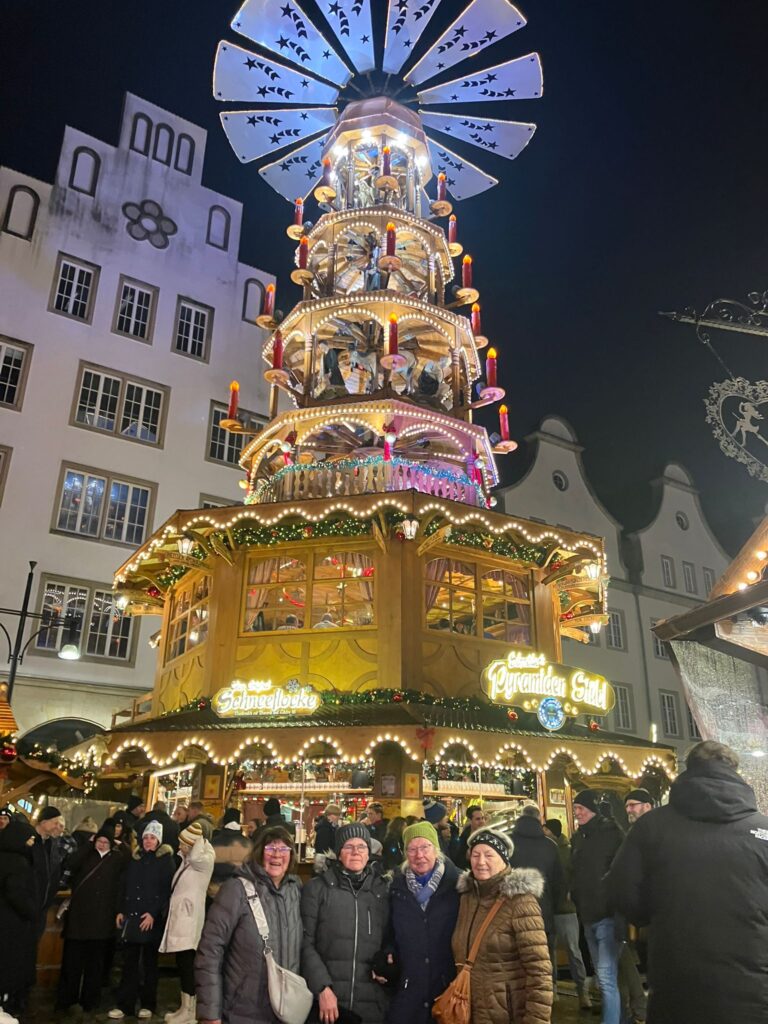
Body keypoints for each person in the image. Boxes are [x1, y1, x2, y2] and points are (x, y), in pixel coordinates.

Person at [609, 740, 768, 1024]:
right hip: (752, 988)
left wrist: (653, 915)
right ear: (734, 771)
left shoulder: (651, 827)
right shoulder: (762, 831)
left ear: (689, 769)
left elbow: (622, 889)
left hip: (676, 981)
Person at [196, 825, 302, 1024]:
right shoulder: (235, 890)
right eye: (270, 848)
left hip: (285, 1010)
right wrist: (210, 1012)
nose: (277, 854)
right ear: (259, 852)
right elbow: (210, 949)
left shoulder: (295, 891)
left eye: (283, 849)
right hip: (243, 1011)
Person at [452, 828, 553, 1024]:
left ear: (504, 859)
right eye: (475, 855)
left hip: (507, 1015)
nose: (481, 862)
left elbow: (539, 970)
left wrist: (537, 1019)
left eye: (489, 855)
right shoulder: (467, 898)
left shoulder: (521, 901)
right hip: (469, 1011)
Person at [301, 822, 391, 1024]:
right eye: (348, 846)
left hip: (371, 1004)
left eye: (361, 846)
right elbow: (305, 942)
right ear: (339, 853)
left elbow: (390, 939)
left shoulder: (382, 892)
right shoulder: (317, 889)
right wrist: (322, 987)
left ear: (369, 853)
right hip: (329, 1004)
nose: (355, 852)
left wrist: (387, 964)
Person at [388, 821, 460, 1023]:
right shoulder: (394, 887)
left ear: (436, 849)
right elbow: (388, 932)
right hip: (408, 989)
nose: (419, 855)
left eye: (425, 847)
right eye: (412, 849)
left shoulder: (458, 885)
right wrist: (388, 952)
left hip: (447, 989)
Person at [108, 819, 175, 1021]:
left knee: (148, 964)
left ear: (158, 840)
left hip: (150, 919)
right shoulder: (135, 860)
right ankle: (125, 1004)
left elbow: (166, 890)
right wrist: (121, 909)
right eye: (146, 837)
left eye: (152, 837)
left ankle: (148, 1003)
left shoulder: (165, 861)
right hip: (132, 915)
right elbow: (124, 885)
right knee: (129, 962)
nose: (148, 841)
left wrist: (153, 913)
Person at [57, 823, 125, 1014]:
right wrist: (88, 845)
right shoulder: (86, 855)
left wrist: (122, 844)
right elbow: (70, 863)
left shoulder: (117, 859)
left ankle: (90, 1001)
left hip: (102, 920)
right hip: (79, 919)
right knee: (72, 963)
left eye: (105, 842)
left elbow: (126, 870)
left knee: (95, 965)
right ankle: (66, 999)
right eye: (99, 841)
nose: (102, 844)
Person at [570, 790, 624, 1024]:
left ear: (592, 808)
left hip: (607, 915)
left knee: (606, 976)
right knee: (604, 978)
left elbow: (622, 870)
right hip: (587, 915)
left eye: (580, 808)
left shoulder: (612, 834)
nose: (577, 812)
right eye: (575, 808)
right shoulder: (579, 837)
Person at [160, 820, 215, 1024]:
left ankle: (190, 1011)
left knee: (187, 964)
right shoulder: (188, 860)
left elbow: (196, 857)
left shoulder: (203, 859)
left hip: (190, 919)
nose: (179, 846)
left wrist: (195, 841)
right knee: (182, 963)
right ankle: (185, 1007)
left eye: (183, 843)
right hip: (182, 918)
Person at [543, 819, 591, 1009]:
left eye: (546, 829)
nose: (543, 832)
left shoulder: (566, 850)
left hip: (565, 908)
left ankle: (581, 991)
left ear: (552, 831)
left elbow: (574, 875)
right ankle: (556, 989)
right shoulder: (551, 848)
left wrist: (572, 892)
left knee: (570, 950)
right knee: (553, 952)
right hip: (553, 908)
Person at [510, 806, 564, 948]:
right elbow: (559, 883)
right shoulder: (550, 846)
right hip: (543, 914)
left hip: (512, 915)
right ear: (540, 820)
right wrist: (552, 908)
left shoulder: (507, 844)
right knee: (544, 957)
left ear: (520, 817)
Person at [0, 817, 37, 1024]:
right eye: (29, 839)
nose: (31, 843)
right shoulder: (18, 863)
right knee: (9, 965)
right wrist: (32, 911)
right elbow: (16, 894)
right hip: (12, 923)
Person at [30, 805, 66, 936]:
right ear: (44, 822)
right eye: (55, 823)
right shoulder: (30, 842)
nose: (58, 827)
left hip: (43, 907)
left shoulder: (52, 844)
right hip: (27, 907)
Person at [454, 804, 487, 869]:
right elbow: (458, 862)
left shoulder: (488, 836)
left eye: (482, 818)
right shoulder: (463, 839)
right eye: (478, 819)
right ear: (470, 820)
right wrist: (467, 857)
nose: (481, 821)